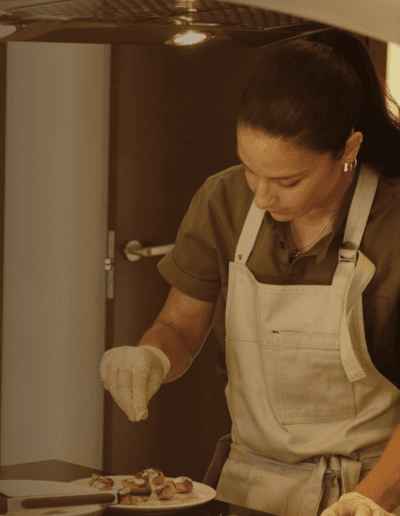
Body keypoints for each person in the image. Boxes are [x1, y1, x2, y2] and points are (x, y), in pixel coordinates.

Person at [100, 29, 400, 516]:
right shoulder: (222, 201)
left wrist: (370, 499)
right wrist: (151, 356)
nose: (261, 197)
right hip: (247, 487)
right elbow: (179, 328)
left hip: (369, 489)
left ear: (348, 149)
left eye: (287, 181)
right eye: (248, 169)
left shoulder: (392, 223)